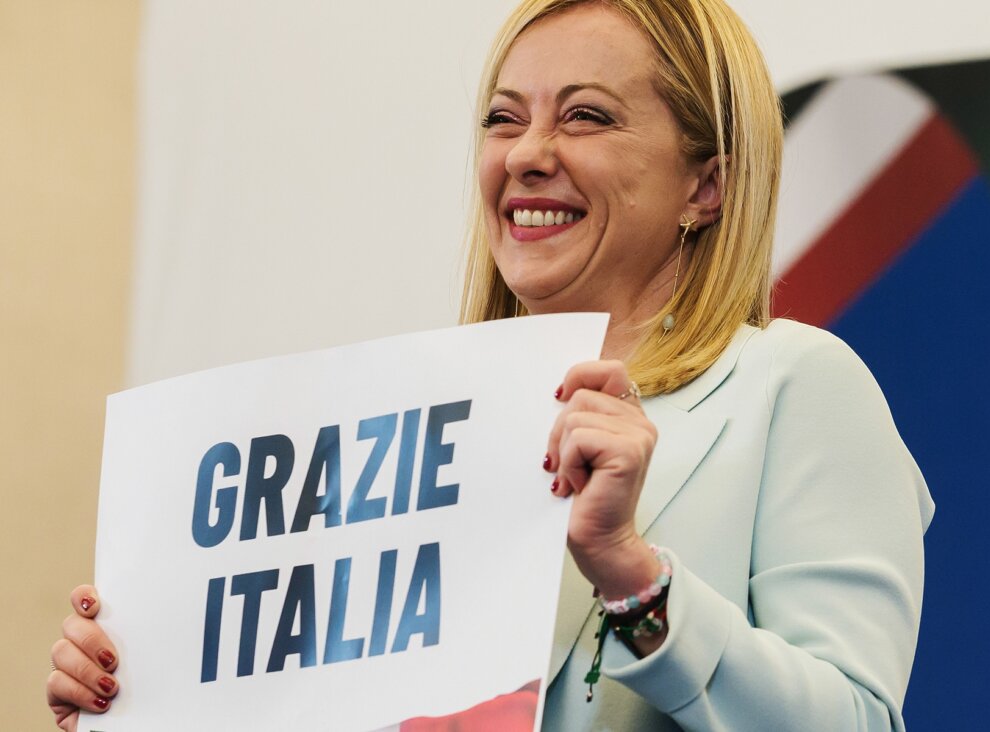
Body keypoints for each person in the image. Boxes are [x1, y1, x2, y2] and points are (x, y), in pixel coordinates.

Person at [47, 0, 935, 729]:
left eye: (585, 116)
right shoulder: (399, 434)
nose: (526, 154)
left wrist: (633, 574)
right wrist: (145, 685)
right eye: (503, 119)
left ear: (706, 185)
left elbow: (853, 720)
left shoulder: (793, 385)